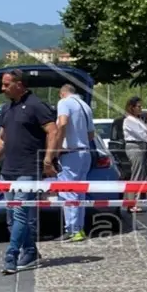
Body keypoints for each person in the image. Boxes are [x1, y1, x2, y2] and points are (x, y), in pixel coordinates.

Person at [0, 69, 58, 275]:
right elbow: (1, 139)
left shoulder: (36, 105)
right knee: (12, 218)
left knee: (20, 215)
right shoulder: (7, 108)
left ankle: (11, 256)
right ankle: (31, 251)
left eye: (6, 85)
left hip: (29, 169)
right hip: (9, 170)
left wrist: (48, 158)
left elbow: (53, 131)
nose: (2, 88)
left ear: (19, 84)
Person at [54, 83, 95, 242]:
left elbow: (63, 123)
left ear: (61, 93)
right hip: (85, 153)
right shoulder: (85, 106)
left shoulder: (64, 103)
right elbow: (91, 134)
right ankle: (79, 229)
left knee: (68, 191)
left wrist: (57, 147)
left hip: (71, 154)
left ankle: (71, 230)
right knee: (80, 192)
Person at [122, 96, 147, 212]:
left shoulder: (137, 119)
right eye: (139, 106)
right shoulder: (129, 120)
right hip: (134, 146)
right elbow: (144, 135)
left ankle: (135, 201)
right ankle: (132, 203)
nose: (141, 109)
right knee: (136, 173)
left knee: (140, 173)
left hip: (141, 146)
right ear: (132, 107)